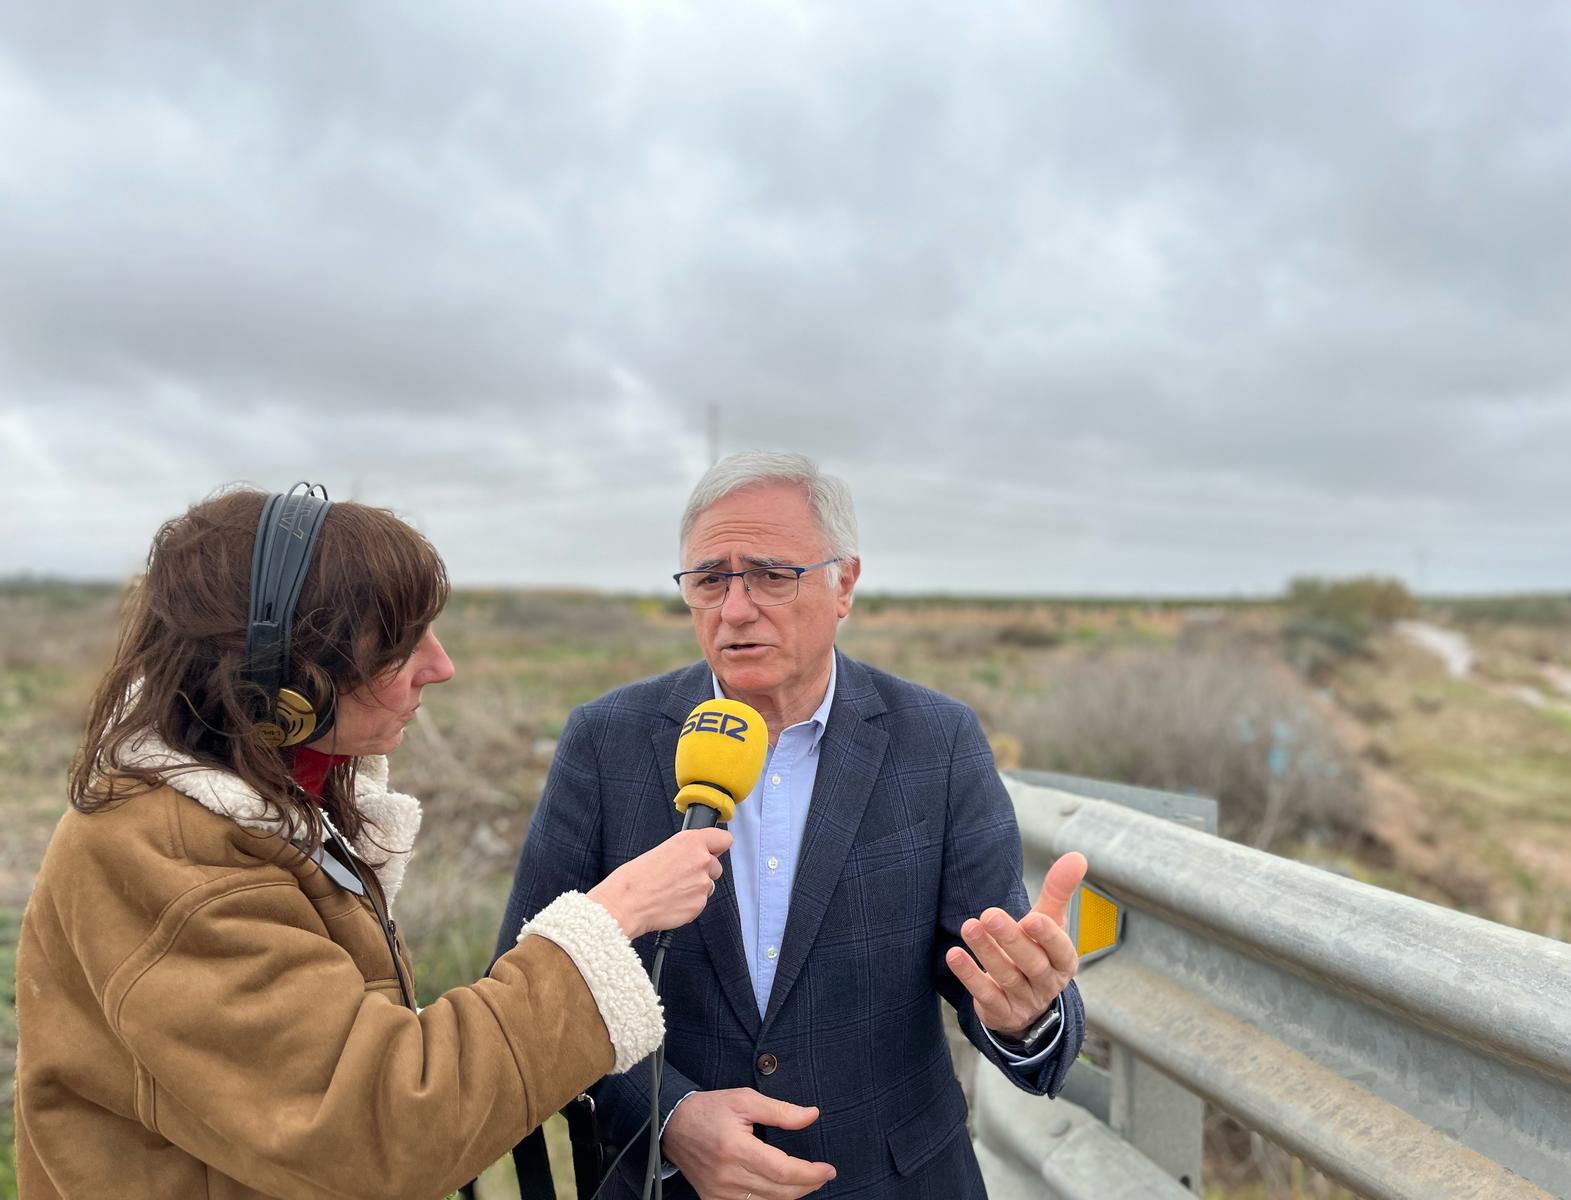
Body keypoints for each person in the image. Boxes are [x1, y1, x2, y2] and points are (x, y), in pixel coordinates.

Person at [14, 485, 730, 1200]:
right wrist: (607, 925)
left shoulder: (262, 808)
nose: (440, 667)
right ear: (287, 674)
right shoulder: (175, 861)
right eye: (398, 645)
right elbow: (383, 1129)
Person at [494, 452, 1087, 1199]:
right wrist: (669, 1116)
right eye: (710, 579)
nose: (736, 609)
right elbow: (526, 985)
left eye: (772, 575)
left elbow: (989, 973)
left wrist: (1026, 1015)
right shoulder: (607, 740)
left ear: (845, 584)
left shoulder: (937, 742)